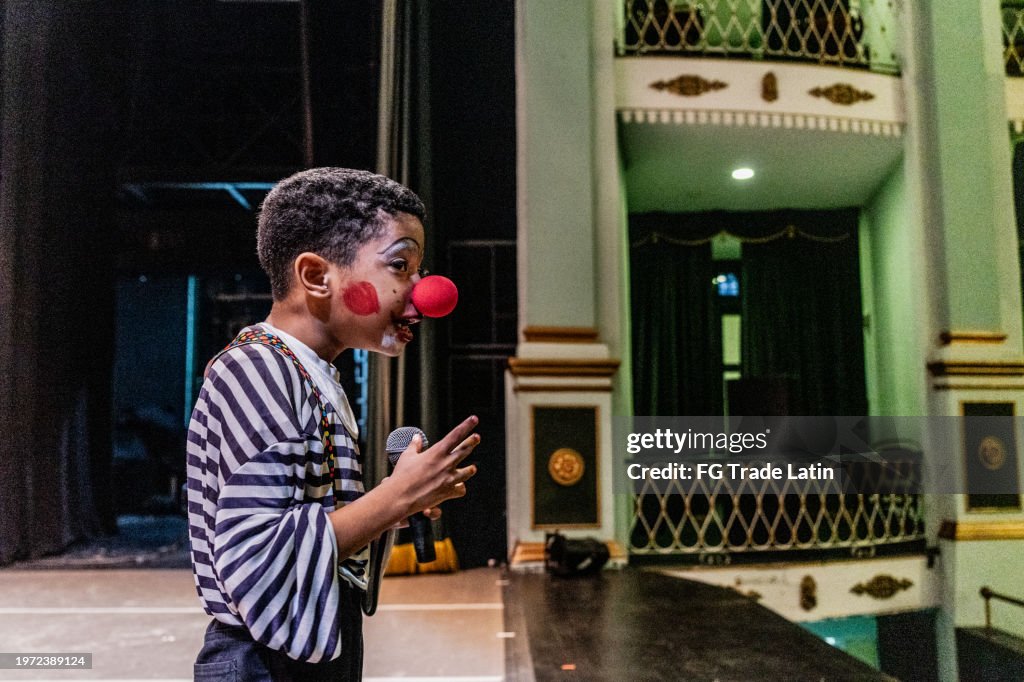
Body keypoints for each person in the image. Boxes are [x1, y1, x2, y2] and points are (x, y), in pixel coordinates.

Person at [186, 167, 480, 681]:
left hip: (315, 652)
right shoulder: (258, 369)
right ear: (318, 277)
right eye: (400, 266)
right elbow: (257, 559)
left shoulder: (310, 374)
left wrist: (393, 503)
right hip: (265, 665)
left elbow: (317, 528)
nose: (425, 295)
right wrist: (397, 499)